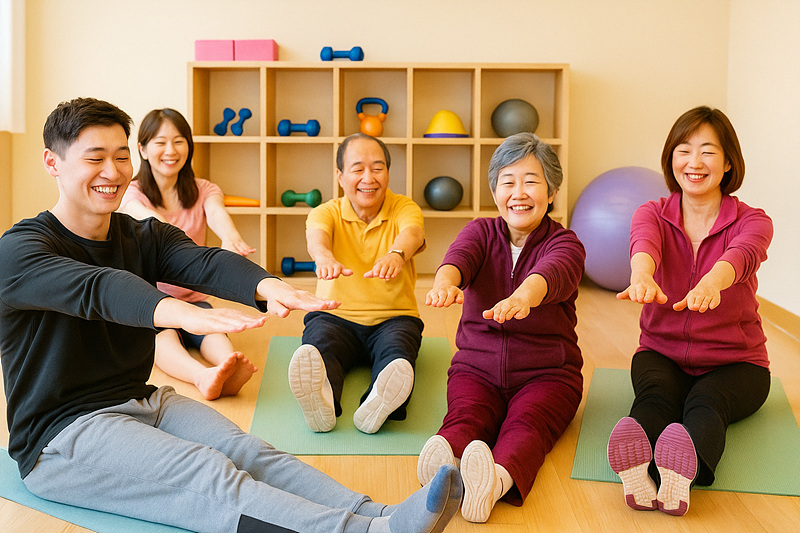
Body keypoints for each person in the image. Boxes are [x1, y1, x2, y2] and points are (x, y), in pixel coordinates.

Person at [0, 97, 462, 533]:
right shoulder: (20, 251)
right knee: (208, 473)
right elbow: (97, 288)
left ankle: (379, 514)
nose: (112, 171)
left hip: (141, 400)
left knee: (247, 451)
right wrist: (176, 312)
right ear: (52, 162)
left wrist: (268, 286)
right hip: (61, 437)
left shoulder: (140, 235)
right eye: (95, 158)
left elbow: (203, 261)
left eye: (121, 157)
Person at [608, 106, 773, 516]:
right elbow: (644, 244)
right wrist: (641, 275)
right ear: (671, 159)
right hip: (661, 352)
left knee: (707, 401)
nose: (694, 162)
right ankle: (637, 471)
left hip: (737, 363)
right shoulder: (652, 212)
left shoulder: (753, 221)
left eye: (708, 152)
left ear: (728, 162)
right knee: (656, 398)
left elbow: (741, 256)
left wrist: (711, 283)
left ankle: (681, 476)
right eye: (684, 150)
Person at [418, 132, 585, 522]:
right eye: (508, 182)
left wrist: (523, 297)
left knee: (527, 425)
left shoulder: (566, 243)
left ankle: (493, 483)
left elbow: (551, 273)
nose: (518, 192)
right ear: (495, 192)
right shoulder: (480, 231)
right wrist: (444, 283)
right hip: (476, 368)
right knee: (466, 416)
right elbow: (458, 259)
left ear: (552, 192)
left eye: (531, 181)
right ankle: (445, 467)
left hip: (549, 374)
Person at [288, 133, 426, 435]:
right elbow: (317, 239)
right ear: (340, 176)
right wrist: (324, 257)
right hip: (335, 315)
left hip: (394, 317)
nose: (368, 178)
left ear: (387, 173)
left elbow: (412, 234)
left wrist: (396, 254)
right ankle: (322, 400)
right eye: (358, 169)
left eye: (377, 168)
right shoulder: (326, 211)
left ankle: (378, 403)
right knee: (320, 347)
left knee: (398, 355)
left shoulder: (404, 207)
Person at [119, 108, 257, 401]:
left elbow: (216, 213)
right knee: (163, 338)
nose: (171, 150)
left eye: (179, 141)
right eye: (160, 142)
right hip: (155, 302)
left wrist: (231, 238)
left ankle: (227, 367)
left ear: (188, 147)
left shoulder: (204, 189)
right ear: (143, 149)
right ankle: (201, 376)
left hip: (194, 299)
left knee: (212, 329)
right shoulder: (132, 193)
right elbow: (146, 217)